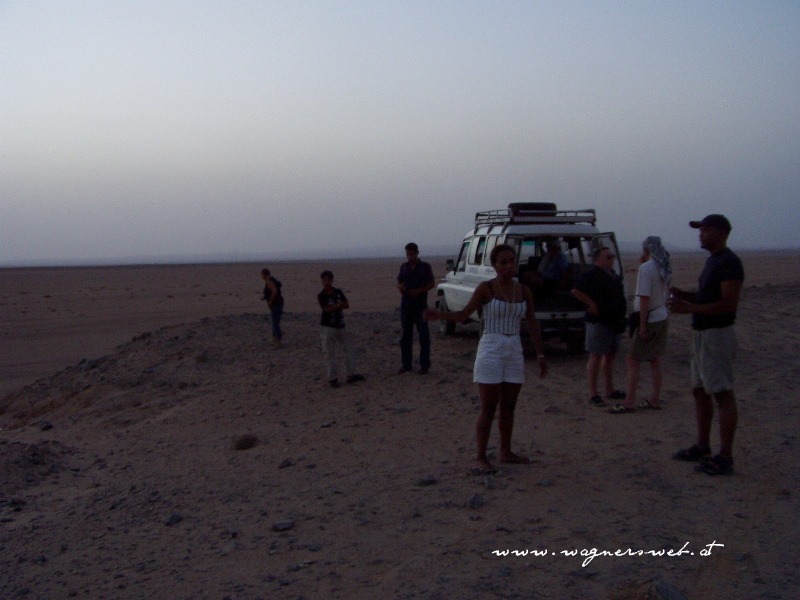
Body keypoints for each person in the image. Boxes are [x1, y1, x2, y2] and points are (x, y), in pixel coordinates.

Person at [425, 244, 548, 474]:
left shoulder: (523, 291)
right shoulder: (485, 289)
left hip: (514, 348)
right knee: (489, 406)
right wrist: (439, 314)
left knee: (509, 405)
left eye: (511, 261)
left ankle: (506, 451)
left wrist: (540, 354)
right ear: (494, 265)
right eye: (503, 262)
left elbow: (531, 322)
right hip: (491, 347)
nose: (508, 265)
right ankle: (481, 455)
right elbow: (463, 314)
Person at [669, 214, 743, 476]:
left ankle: (725, 456)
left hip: (717, 334)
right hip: (702, 333)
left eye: (706, 230)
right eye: (700, 230)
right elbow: (705, 296)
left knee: (722, 393)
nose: (700, 234)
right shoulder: (714, 261)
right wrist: (682, 295)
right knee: (700, 391)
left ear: (721, 232)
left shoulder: (730, 262)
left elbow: (728, 303)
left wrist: (690, 307)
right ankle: (702, 445)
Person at [614, 236, 672, 413]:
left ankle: (629, 401)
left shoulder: (646, 269)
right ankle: (654, 398)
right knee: (655, 359)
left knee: (633, 359)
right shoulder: (664, 266)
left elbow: (644, 297)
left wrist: (643, 325)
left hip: (650, 318)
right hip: (661, 315)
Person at [571, 247, 627, 407]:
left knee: (610, 355)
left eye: (612, 257)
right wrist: (591, 304)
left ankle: (609, 389)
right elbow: (575, 291)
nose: (611, 260)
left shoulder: (613, 275)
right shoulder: (591, 274)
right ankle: (593, 393)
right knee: (595, 356)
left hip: (614, 321)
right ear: (597, 259)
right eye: (608, 257)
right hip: (599, 321)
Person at [317, 270, 365, 388]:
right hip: (328, 327)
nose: (326, 282)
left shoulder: (338, 292)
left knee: (350, 349)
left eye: (328, 280)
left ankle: (351, 375)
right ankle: (332, 378)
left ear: (332, 280)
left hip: (340, 326)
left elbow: (346, 304)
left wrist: (337, 305)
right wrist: (338, 305)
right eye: (324, 280)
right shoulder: (321, 295)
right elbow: (327, 309)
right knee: (329, 353)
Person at [397, 243, 436, 374]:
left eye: (412, 254)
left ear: (417, 253)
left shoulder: (425, 267)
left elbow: (432, 283)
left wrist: (420, 290)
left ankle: (424, 365)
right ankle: (406, 364)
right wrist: (401, 288)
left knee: (424, 335)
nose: (409, 257)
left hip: (420, 305)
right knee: (406, 336)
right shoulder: (404, 267)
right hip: (407, 305)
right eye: (407, 254)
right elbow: (399, 282)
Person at [261, 268, 284, 347]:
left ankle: (278, 341)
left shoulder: (270, 281)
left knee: (275, 323)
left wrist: (270, 301)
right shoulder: (273, 280)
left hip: (276, 305)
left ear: (264, 275)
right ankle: (274, 339)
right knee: (275, 322)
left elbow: (274, 291)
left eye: (262, 275)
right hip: (278, 304)